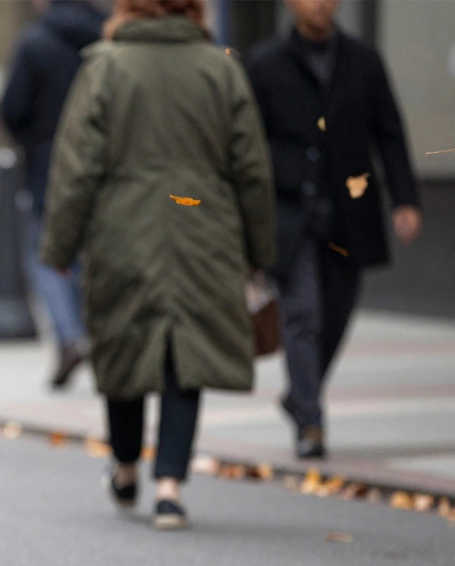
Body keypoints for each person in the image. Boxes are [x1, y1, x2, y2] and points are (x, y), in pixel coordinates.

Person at [41, 0, 275, 529]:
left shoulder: (105, 66)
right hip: (204, 228)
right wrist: (260, 250)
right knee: (186, 354)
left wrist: (60, 246)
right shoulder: (220, 69)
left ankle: (126, 467)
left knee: (124, 346)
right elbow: (251, 168)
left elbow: (77, 166)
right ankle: (170, 486)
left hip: (123, 229)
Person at [246, 0, 421, 460]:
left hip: (349, 214)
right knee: (302, 314)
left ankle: (300, 395)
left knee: (337, 315)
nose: (320, 3)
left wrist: (405, 198)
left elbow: (389, 132)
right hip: (289, 215)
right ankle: (311, 421)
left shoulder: (363, 60)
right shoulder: (264, 64)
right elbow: (246, 144)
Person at [0, 0, 106, 389]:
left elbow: (12, 108)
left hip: (48, 166)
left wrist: (35, 140)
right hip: (102, 166)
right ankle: (98, 338)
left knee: (47, 254)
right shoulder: (107, 38)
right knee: (94, 254)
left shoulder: (35, 41)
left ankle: (70, 335)